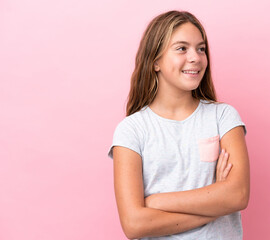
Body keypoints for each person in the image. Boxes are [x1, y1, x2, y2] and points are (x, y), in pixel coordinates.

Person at [108, 10, 250, 239]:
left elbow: (237, 196)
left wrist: (156, 202)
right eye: (182, 48)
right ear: (155, 61)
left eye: (201, 48)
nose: (195, 57)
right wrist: (215, 206)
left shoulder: (223, 117)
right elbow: (134, 224)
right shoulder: (131, 130)